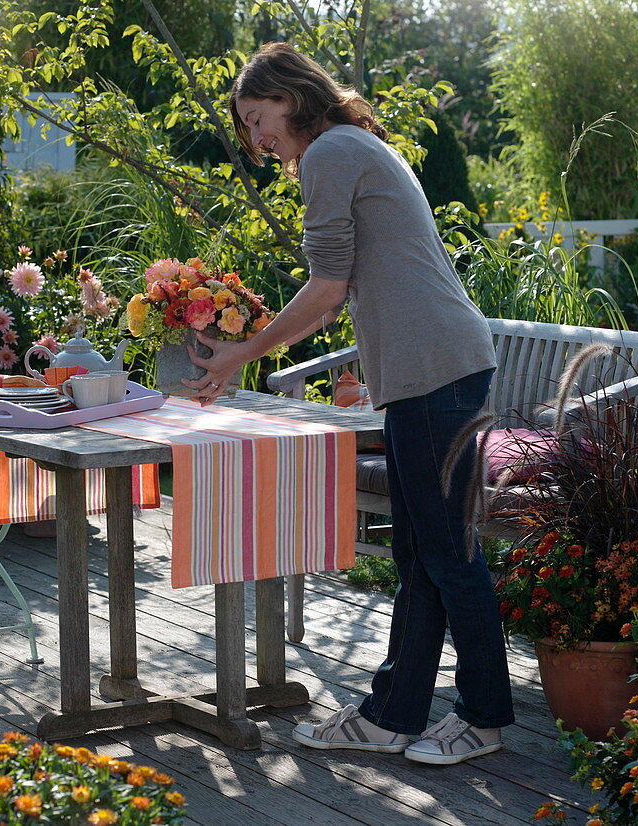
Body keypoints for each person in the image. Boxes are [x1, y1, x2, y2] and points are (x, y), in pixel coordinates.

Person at [183, 42, 514, 765]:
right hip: (430, 368)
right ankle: (393, 714)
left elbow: (328, 290)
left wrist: (244, 352)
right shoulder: (346, 145)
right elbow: (340, 288)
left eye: (257, 116)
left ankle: (484, 718)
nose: (255, 137)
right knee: (421, 552)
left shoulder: (331, 153)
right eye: (245, 126)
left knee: (447, 554)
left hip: (433, 368)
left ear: (290, 96)